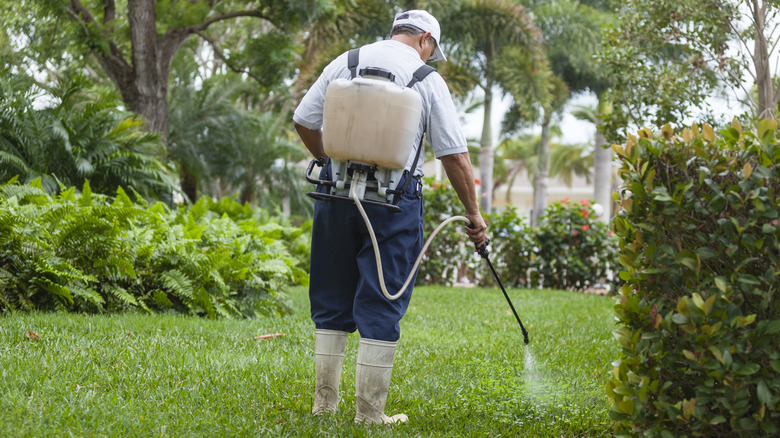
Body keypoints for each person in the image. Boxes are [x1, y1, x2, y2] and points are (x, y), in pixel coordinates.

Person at [292, 9, 487, 425]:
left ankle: (323, 406)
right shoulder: (426, 78)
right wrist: (473, 214)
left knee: (330, 297)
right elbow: (453, 154)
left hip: (335, 194)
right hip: (394, 204)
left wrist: (328, 160)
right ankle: (370, 414)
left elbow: (304, 120)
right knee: (384, 297)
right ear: (426, 42)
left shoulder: (345, 62)